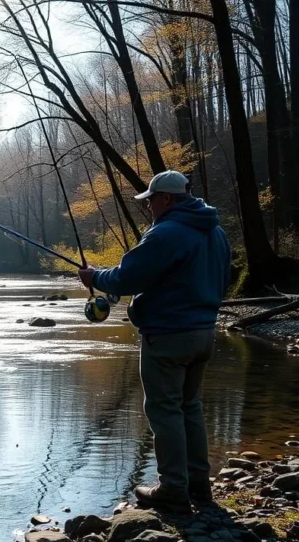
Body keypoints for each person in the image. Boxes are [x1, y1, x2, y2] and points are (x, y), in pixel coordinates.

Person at [78, 170, 232, 513]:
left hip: (167, 335)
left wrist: (94, 277)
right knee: (189, 406)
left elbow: (129, 277)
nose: (148, 206)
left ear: (166, 198)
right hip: (205, 331)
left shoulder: (166, 233)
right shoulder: (215, 231)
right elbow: (225, 278)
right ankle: (199, 485)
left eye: (150, 200)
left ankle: (174, 488)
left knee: (164, 409)